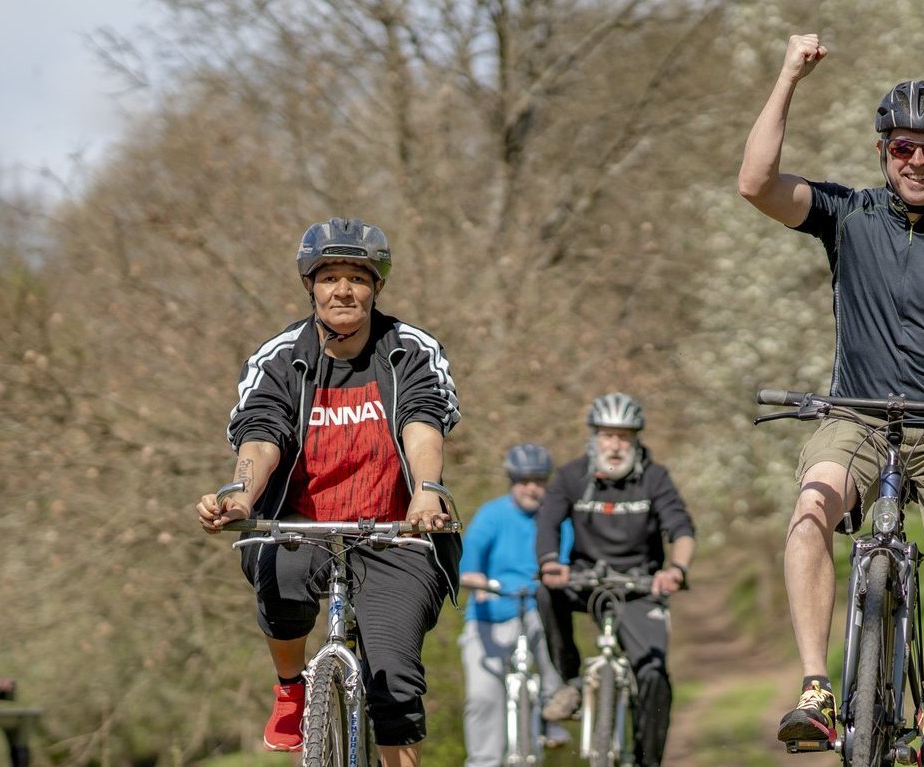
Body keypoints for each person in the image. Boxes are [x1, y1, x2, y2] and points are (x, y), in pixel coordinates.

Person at [737, 34, 924, 767]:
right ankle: (816, 687)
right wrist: (787, 76)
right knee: (811, 507)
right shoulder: (848, 214)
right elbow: (755, 183)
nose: (916, 161)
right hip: (855, 415)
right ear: (883, 150)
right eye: (904, 146)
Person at [196, 217, 462, 766]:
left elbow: (422, 420)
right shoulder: (280, 358)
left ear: (376, 287)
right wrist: (242, 496)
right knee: (280, 585)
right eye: (329, 277)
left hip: (397, 534)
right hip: (302, 527)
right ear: (309, 286)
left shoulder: (407, 350)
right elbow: (262, 433)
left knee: (394, 681)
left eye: (357, 278)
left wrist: (427, 491)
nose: (343, 289)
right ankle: (292, 687)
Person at [535, 393, 697, 767]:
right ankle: (571, 680)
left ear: (636, 439)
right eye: (607, 435)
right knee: (546, 590)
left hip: (639, 587)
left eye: (623, 436)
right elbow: (548, 522)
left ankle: (647, 759)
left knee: (653, 673)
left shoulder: (655, 477)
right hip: (585, 579)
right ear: (594, 437)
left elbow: (681, 528)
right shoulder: (572, 476)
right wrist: (549, 562)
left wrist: (676, 569)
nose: (614, 445)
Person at [458, 443, 574, 766]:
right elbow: (468, 566)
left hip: (533, 608)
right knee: (483, 696)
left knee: (550, 629)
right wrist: (477, 581)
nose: (532, 488)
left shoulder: (556, 520)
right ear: (513, 482)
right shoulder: (491, 514)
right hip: (490, 615)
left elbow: (563, 564)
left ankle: (553, 710)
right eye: (524, 481)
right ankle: (483, 761)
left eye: (538, 481)